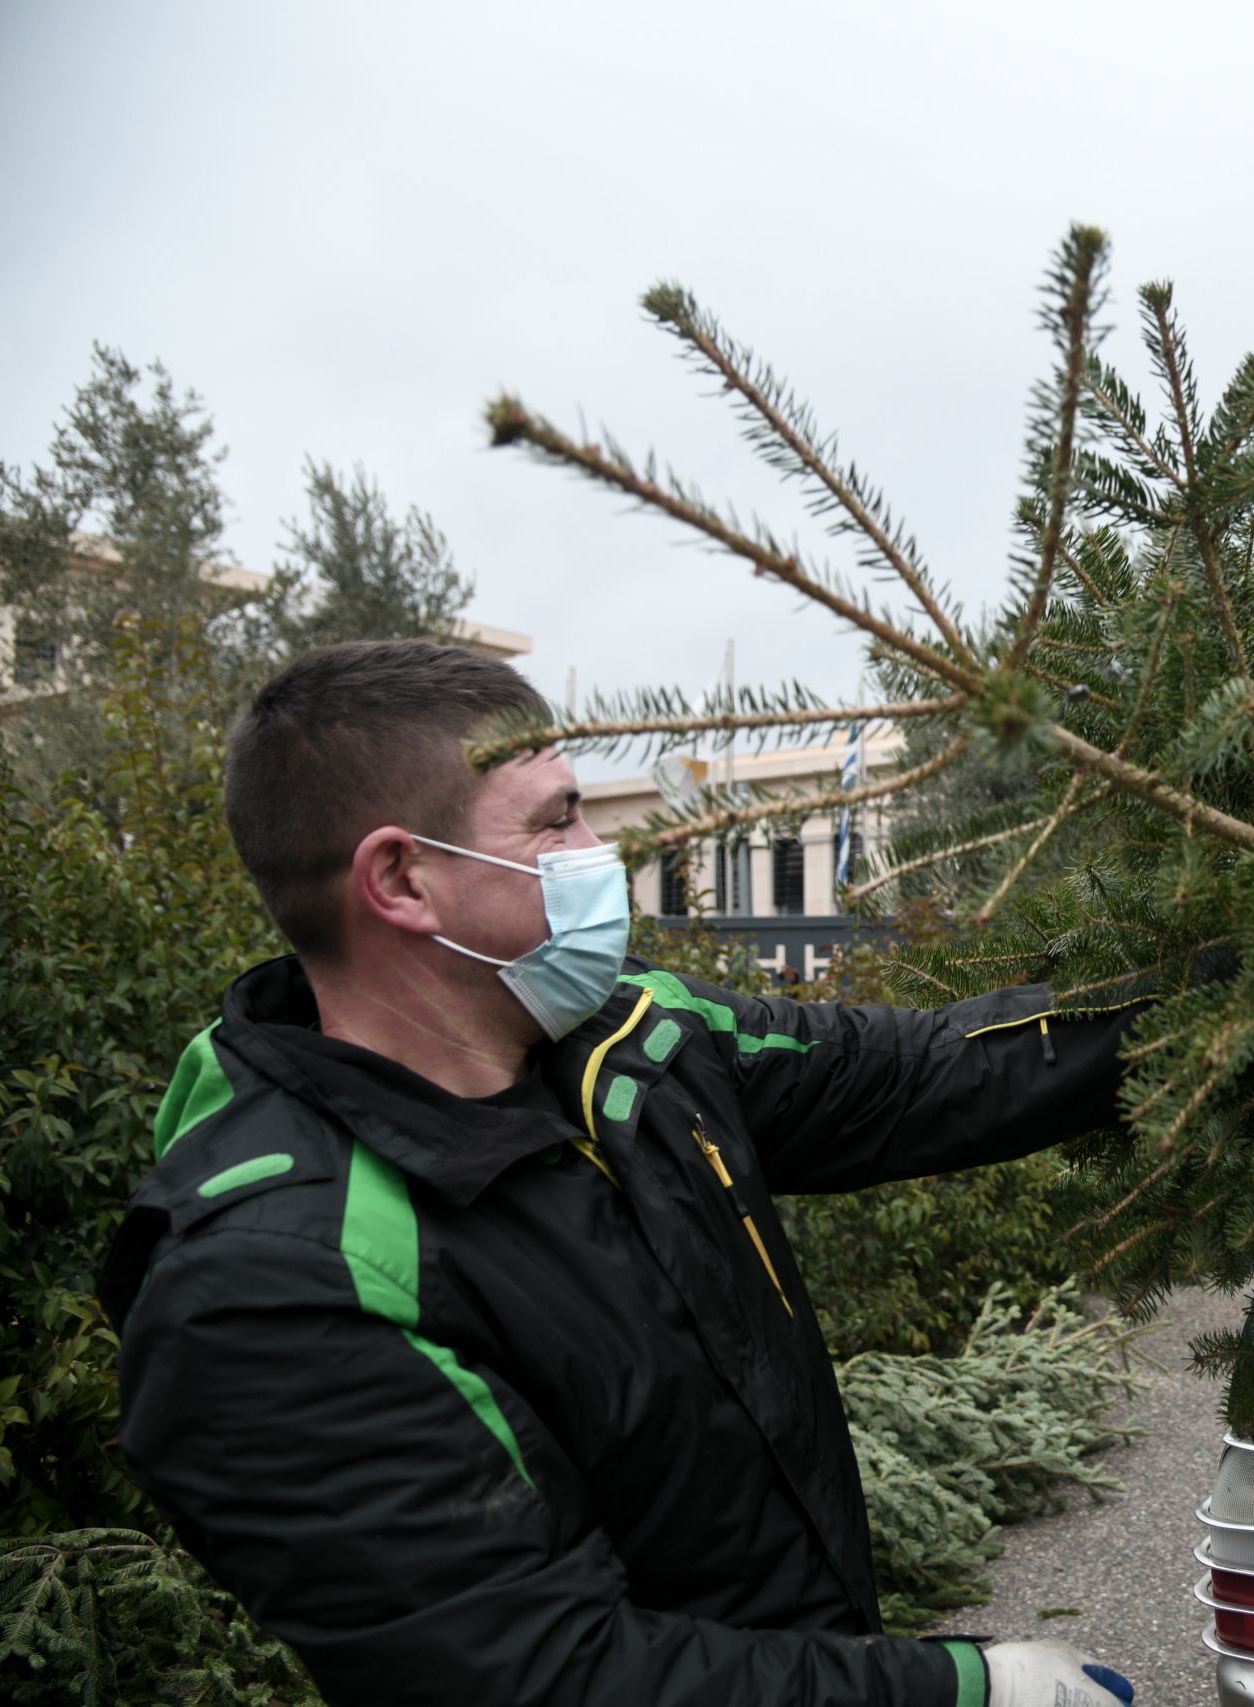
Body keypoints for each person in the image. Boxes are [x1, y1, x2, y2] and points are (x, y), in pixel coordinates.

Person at [98, 640, 1150, 1707]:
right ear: (402, 879)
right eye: (556, 821)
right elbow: (546, 1677)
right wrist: (965, 1692)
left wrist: (1242, 993)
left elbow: (920, 1076)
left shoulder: (632, 1047)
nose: (601, 850)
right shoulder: (278, 1285)